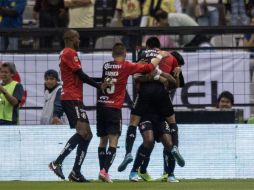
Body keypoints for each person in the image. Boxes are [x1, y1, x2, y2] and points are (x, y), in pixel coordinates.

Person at [96, 42, 168, 183]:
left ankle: (102, 172)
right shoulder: (127, 65)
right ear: (124, 54)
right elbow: (149, 67)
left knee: (102, 140)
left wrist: (135, 64)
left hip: (101, 105)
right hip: (113, 108)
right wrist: (160, 55)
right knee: (114, 140)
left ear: (112, 54)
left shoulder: (106, 65)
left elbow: (115, 74)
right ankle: (104, 171)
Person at [118, 37, 185, 174]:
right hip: (162, 97)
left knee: (135, 126)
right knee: (171, 125)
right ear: (159, 46)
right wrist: (163, 76)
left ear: (148, 46)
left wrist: (155, 75)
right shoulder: (170, 57)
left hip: (145, 96)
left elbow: (136, 76)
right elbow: (175, 84)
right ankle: (175, 150)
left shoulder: (143, 55)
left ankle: (128, 154)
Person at [48, 29, 108, 182]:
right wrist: (99, 85)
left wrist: (97, 83)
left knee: (87, 135)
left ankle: (75, 172)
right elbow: (81, 75)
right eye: (78, 38)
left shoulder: (64, 53)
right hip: (71, 97)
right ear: (71, 38)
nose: (79, 41)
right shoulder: (70, 52)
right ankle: (57, 162)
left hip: (74, 97)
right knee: (83, 133)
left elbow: (79, 76)